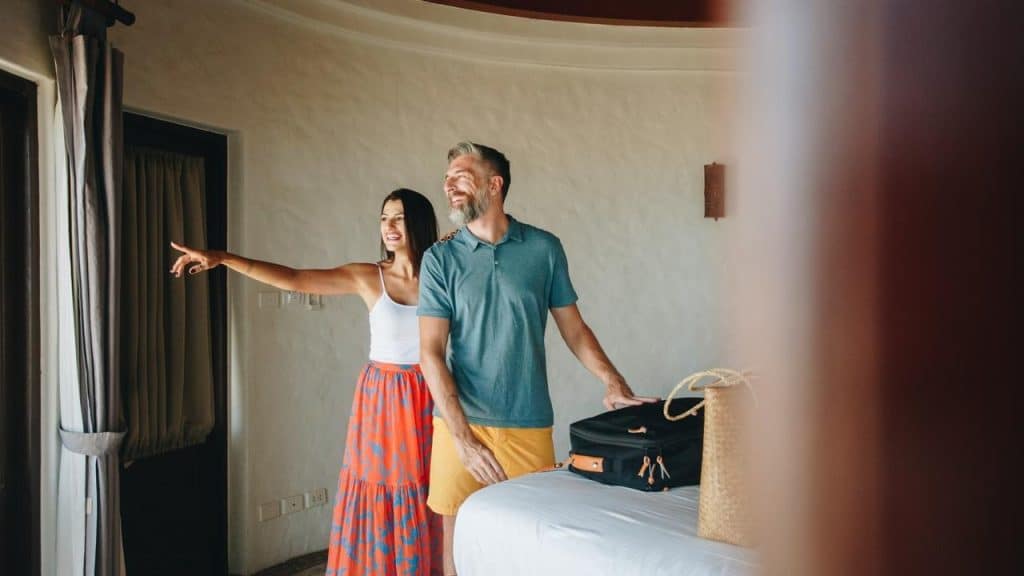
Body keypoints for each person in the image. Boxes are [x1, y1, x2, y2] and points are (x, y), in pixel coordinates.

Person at [170, 189, 442, 576]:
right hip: (384, 400)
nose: (389, 226)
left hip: (432, 394)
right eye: (384, 218)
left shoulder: (443, 276)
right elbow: (295, 279)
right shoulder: (368, 276)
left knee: (433, 489)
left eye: (399, 217)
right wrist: (224, 258)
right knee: (388, 488)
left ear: (419, 222)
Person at [417, 142, 657, 575]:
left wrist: (612, 380)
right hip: (458, 428)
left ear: (495, 184)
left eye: (461, 175)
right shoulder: (440, 259)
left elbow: (575, 329)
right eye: (446, 178)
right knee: (458, 544)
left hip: (528, 423)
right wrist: (463, 438)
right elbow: (431, 353)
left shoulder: (544, 249)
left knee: (527, 547)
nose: (448, 185)